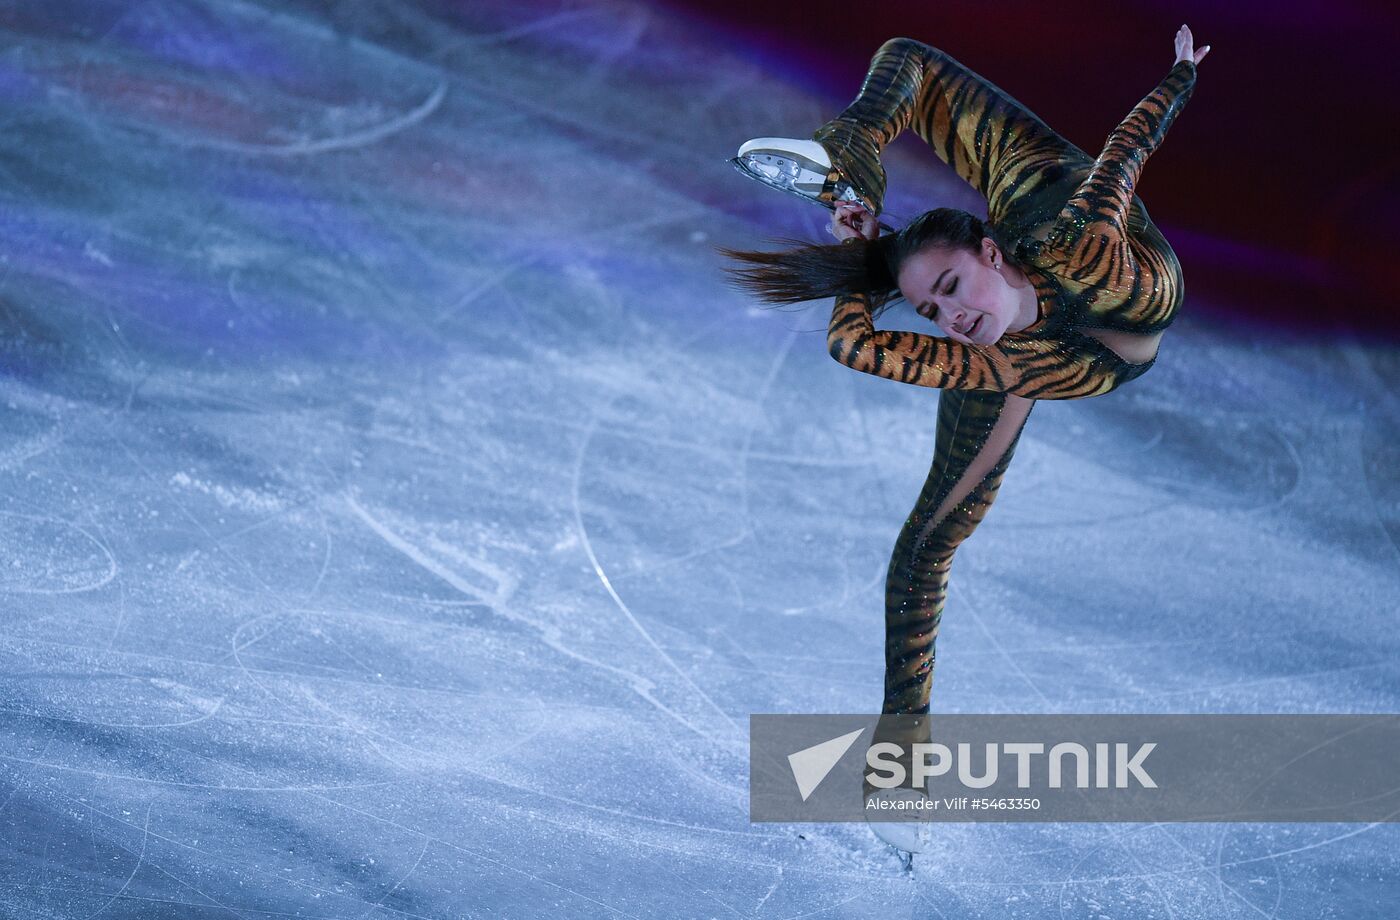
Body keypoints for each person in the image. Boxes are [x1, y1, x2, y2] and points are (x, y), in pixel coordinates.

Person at [725, 25, 1209, 853]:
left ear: (988, 252)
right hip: (1033, 355)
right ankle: (900, 758)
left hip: (1050, 216)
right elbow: (853, 346)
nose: (951, 321)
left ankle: (881, 201)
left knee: (922, 62)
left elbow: (1125, 154)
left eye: (950, 288)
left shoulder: (1082, 241)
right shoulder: (986, 356)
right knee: (926, 548)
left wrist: (1180, 77)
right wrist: (859, 246)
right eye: (933, 313)